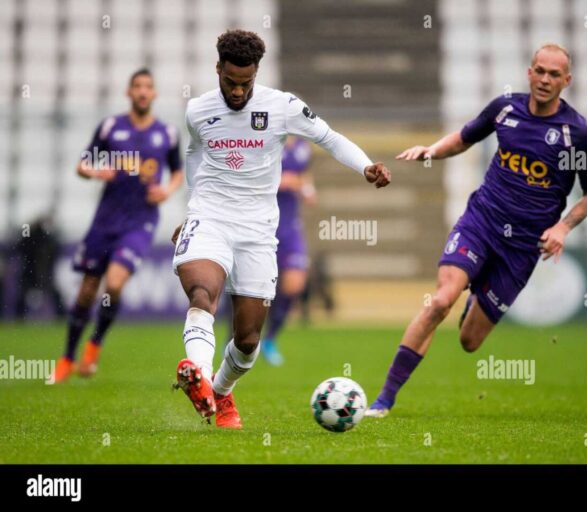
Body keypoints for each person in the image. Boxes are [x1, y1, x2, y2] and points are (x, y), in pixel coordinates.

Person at [366, 44, 587, 418]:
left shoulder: (578, 133)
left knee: (469, 341)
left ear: (566, 81)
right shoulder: (505, 108)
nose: (544, 79)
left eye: (554, 74)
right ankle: (383, 400)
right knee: (441, 300)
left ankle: (477, 297)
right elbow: (464, 137)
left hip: (523, 246)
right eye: (539, 70)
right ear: (529, 72)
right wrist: (432, 150)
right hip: (482, 222)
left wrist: (563, 226)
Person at [171, 29, 391, 429]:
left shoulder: (283, 107)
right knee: (202, 293)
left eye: (246, 83)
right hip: (211, 217)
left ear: (257, 73)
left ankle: (219, 394)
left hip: (258, 229)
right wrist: (191, 210)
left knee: (248, 340)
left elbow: (329, 138)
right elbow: (193, 152)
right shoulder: (198, 111)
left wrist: (366, 166)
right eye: (230, 82)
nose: (238, 92)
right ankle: (198, 375)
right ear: (217, 69)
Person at [53, 68, 183, 382]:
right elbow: (82, 164)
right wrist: (97, 172)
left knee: (113, 284)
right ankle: (68, 358)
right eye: (137, 86)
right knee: (86, 292)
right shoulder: (111, 127)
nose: (142, 91)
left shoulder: (167, 134)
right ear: (129, 92)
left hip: (140, 222)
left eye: (147, 87)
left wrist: (167, 190)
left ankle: (94, 347)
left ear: (154, 94)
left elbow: (178, 172)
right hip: (105, 220)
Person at [260, 136, 316, 366]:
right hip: (263, 227)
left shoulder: (303, 148)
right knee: (253, 290)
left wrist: (308, 188)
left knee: (294, 284)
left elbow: (305, 177)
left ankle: (270, 339)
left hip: (291, 228)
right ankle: (235, 339)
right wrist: (283, 181)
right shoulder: (264, 143)